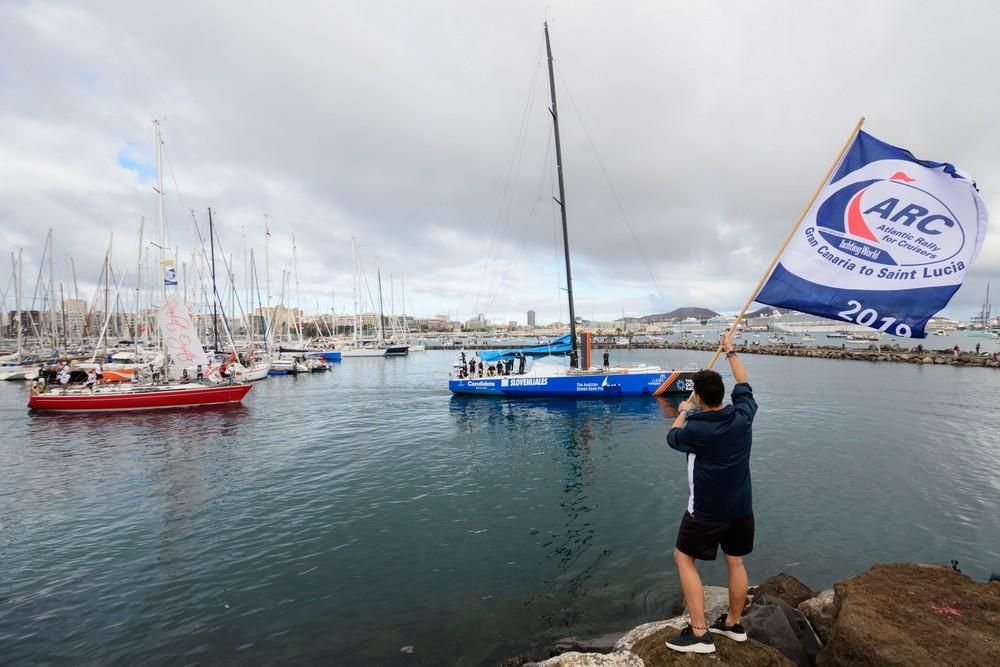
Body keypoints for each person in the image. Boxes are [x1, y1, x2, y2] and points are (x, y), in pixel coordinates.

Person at [664, 331, 757, 654]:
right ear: (723, 394)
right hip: (741, 508)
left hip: (705, 511)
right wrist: (730, 352)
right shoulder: (743, 416)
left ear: (700, 396)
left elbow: (672, 437)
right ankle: (733, 624)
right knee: (736, 562)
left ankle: (700, 633)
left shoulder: (697, 429)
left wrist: (684, 411)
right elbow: (744, 385)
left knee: (683, 558)